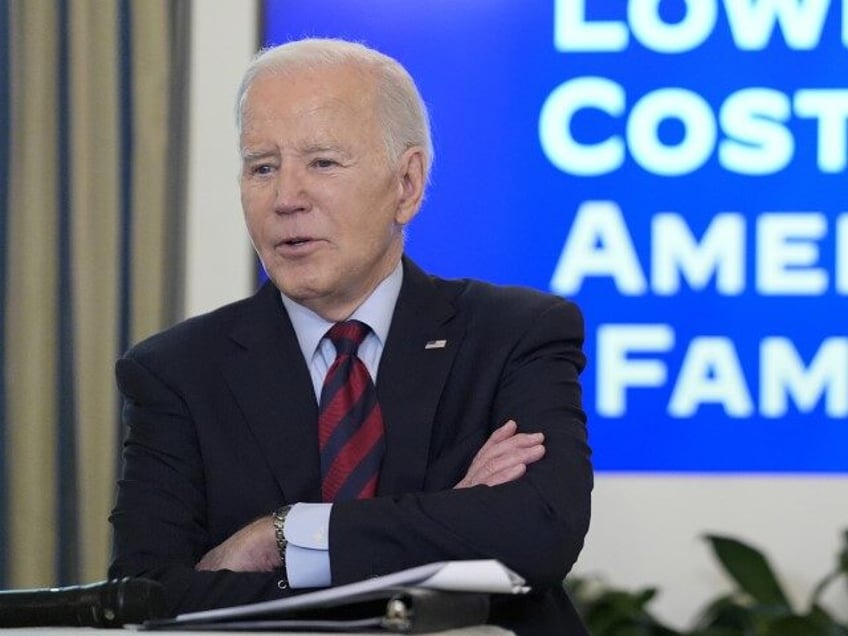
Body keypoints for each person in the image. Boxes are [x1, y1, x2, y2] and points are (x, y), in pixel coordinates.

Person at [109, 38, 592, 635]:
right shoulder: (174, 372)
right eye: (262, 166)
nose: (286, 198)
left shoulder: (515, 334)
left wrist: (283, 535)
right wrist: (451, 518)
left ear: (407, 184)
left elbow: (535, 532)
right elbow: (146, 599)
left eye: (323, 163)